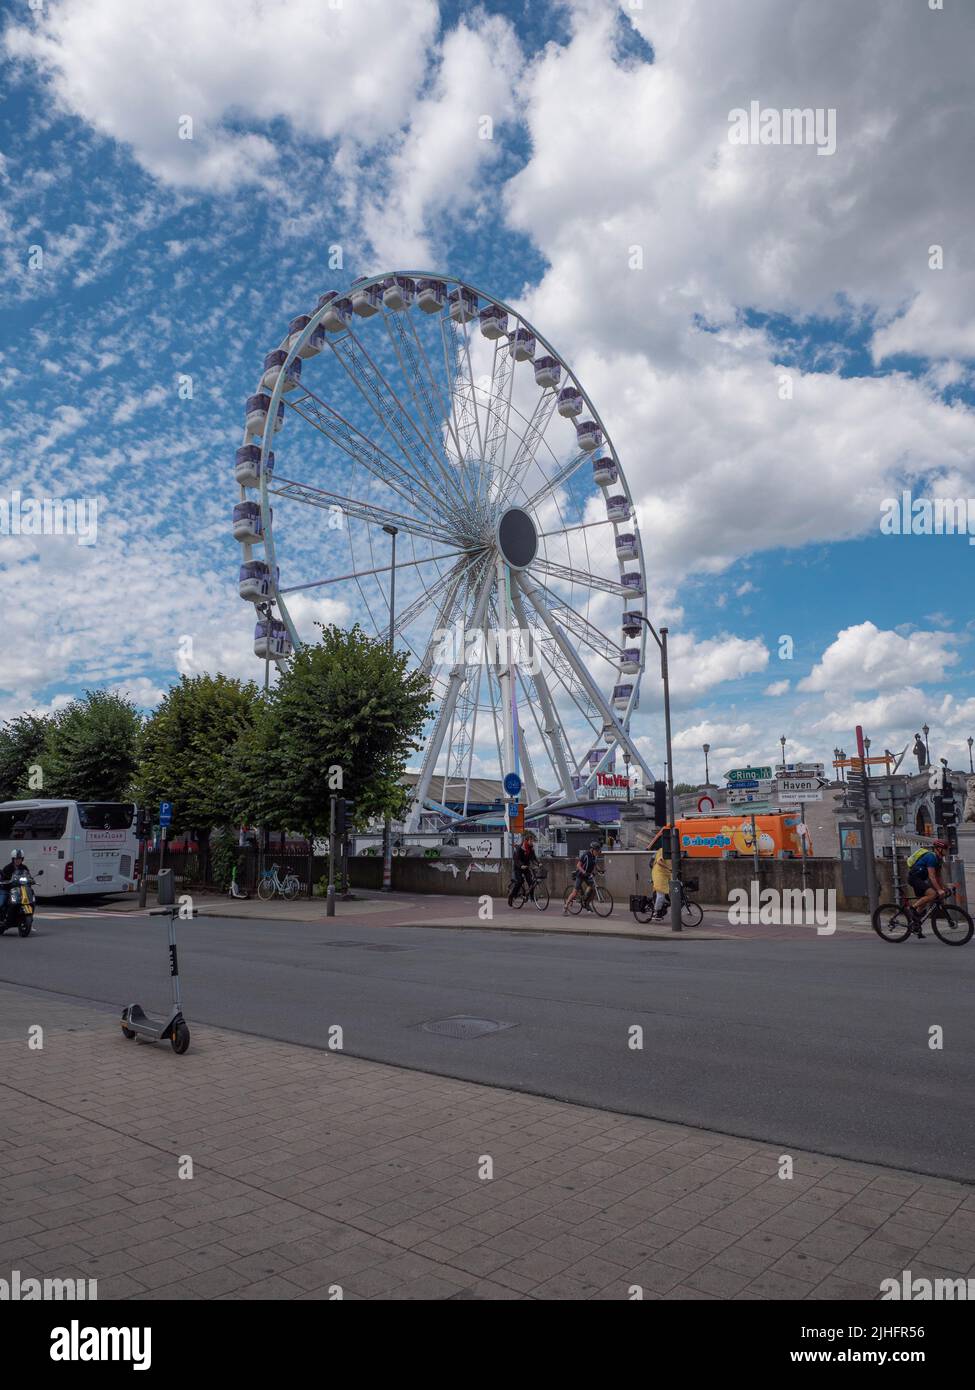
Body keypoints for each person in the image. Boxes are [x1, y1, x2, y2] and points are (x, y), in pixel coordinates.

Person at [905, 839, 952, 931]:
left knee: (923, 903)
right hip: (914, 878)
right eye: (946, 849)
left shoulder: (939, 860)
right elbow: (932, 876)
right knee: (932, 894)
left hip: (920, 879)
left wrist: (943, 888)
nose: (947, 851)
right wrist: (938, 890)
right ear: (939, 849)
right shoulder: (931, 857)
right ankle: (911, 909)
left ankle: (915, 925)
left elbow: (938, 877)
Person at [564, 840, 600, 913]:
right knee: (574, 893)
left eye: (598, 850)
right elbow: (578, 865)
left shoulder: (595, 857)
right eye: (596, 850)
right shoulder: (585, 855)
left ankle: (586, 903)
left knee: (593, 889)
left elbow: (595, 865)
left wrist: (600, 870)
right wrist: (584, 872)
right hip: (580, 875)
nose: (597, 852)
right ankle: (566, 906)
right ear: (592, 849)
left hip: (587, 875)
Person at [508, 832, 538, 904]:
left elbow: (533, 857)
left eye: (532, 841)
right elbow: (516, 859)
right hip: (518, 867)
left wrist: (538, 863)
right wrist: (521, 865)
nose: (532, 842)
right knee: (519, 881)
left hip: (526, 867)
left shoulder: (531, 849)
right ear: (526, 841)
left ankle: (532, 897)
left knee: (530, 881)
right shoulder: (520, 848)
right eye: (530, 841)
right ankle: (512, 896)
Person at [0, 848, 30, 919]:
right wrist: (4, 881)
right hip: (7, 889)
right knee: (1, 903)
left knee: (29, 900)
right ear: (13, 859)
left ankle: (27, 919)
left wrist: (31, 880)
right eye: (16, 859)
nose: (17, 860)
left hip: (20, 889)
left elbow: (28, 876)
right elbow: (3, 877)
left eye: (19, 859)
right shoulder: (7, 868)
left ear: (22, 859)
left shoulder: (24, 867)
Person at [651, 844, 671, 919]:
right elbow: (659, 862)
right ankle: (656, 912)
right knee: (661, 895)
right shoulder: (662, 850)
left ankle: (664, 905)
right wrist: (669, 868)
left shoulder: (673, 852)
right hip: (659, 873)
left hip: (668, 874)